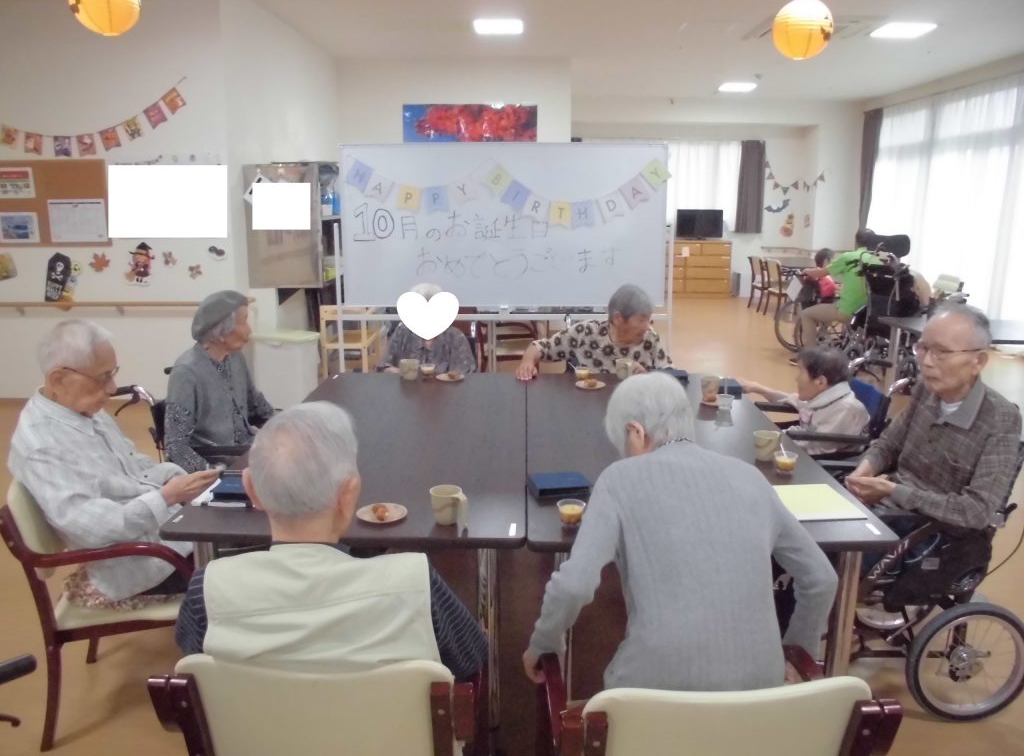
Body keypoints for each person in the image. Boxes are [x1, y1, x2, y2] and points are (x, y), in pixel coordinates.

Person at [522, 373, 837, 692]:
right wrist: (798, 652)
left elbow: (574, 584)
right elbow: (821, 578)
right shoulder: (751, 477)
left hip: (651, 698)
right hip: (760, 696)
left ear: (635, 432)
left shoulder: (618, 479)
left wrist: (545, 642)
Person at [175, 401, 487, 681]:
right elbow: (470, 660)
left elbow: (199, 672)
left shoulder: (206, 592)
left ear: (251, 489)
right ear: (349, 494)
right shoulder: (416, 582)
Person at [8, 320, 219, 605]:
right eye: (102, 377)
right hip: (139, 565)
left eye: (112, 374)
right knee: (241, 563)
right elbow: (92, 530)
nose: (112, 388)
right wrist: (166, 496)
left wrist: (173, 477)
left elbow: (133, 466)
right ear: (58, 379)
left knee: (239, 530)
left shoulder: (82, 409)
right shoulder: (42, 445)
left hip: (160, 537)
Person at [846, 304, 1021, 531]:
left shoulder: (1001, 418)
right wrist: (864, 470)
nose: (927, 362)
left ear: (978, 362)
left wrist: (895, 491)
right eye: (923, 348)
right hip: (885, 508)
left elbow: (977, 511)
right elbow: (889, 444)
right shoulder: (926, 389)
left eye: (942, 352)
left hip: (930, 532)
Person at [165, 290, 275, 472]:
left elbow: (258, 407)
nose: (249, 330)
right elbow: (176, 447)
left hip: (247, 450)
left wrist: (286, 428)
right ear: (221, 333)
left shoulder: (235, 358)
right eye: (244, 321)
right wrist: (211, 474)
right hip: (219, 462)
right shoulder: (186, 373)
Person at [516, 284, 672, 380]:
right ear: (618, 318)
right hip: (587, 407)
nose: (647, 326)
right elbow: (540, 347)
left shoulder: (650, 339)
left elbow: (671, 377)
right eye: (641, 320)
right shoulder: (586, 333)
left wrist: (648, 378)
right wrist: (527, 362)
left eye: (648, 320)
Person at [739, 346, 870, 455]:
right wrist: (758, 388)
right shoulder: (825, 396)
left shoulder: (845, 410)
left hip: (822, 466)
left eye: (801, 372)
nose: (796, 379)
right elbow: (791, 399)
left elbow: (816, 447)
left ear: (820, 382)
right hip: (801, 448)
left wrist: (772, 438)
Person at [798, 230, 882, 348]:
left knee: (806, 314)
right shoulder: (880, 260)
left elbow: (821, 273)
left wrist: (806, 270)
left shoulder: (849, 257)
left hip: (848, 310)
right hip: (870, 313)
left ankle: (810, 353)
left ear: (856, 242)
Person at [377, 283, 476, 374]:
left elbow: (467, 373)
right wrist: (402, 373)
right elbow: (383, 367)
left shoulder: (455, 336)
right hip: (407, 387)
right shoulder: (402, 332)